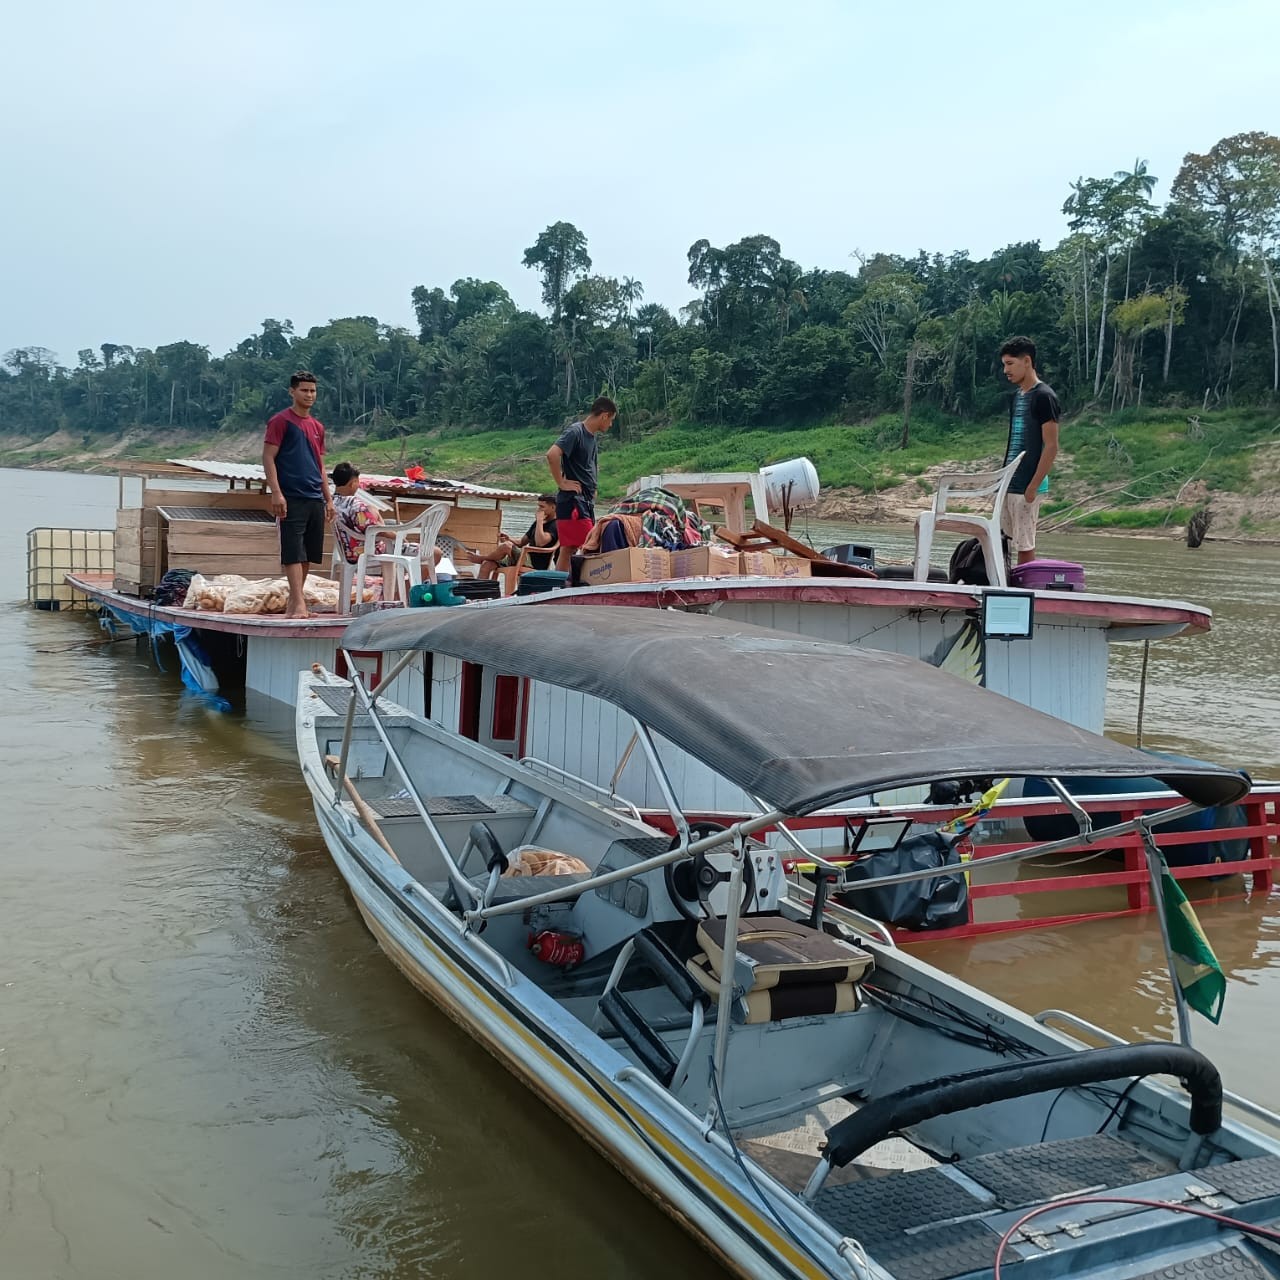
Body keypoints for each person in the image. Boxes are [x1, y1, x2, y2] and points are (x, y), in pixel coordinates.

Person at [263, 371, 333, 618]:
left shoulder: (317, 427)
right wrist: (276, 493)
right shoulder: (281, 421)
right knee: (293, 551)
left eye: (313, 391)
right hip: (291, 496)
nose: (309, 395)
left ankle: (295, 604)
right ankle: (299, 604)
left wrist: (329, 498)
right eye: (304, 390)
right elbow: (268, 457)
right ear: (292, 392)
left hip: (314, 496)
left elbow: (320, 465)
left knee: (308, 554)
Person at [329, 461, 455, 583]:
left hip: (349, 552)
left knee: (372, 509)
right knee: (435, 552)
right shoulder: (355, 504)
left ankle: (400, 590)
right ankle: (405, 591)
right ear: (353, 483)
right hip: (372, 550)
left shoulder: (332, 503)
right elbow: (375, 529)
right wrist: (398, 537)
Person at [999, 336, 1061, 566]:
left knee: (1025, 543)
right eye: (1004, 364)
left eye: (1010, 363)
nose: (1006, 370)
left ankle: (1023, 591)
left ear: (1027, 361)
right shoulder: (1016, 397)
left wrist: (1033, 485)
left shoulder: (1044, 396)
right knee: (1002, 539)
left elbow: (1052, 446)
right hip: (1009, 481)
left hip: (1028, 483)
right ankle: (1003, 586)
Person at [546, 396, 616, 571]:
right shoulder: (575, 432)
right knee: (589, 544)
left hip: (585, 500)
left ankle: (562, 586)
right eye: (612, 420)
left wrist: (593, 488)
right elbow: (552, 454)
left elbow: (589, 466)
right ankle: (574, 585)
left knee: (570, 548)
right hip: (573, 501)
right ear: (604, 416)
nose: (611, 425)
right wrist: (561, 482)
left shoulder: (591, 437)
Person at [477, 494, 558, 580]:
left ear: (553, 508)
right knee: (487, 564)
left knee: (506, 546)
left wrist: (539, 521)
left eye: (542, 507)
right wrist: (509, 539)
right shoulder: (537, 523)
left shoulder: (555, 525)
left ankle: (481, 558)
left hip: (535, 563)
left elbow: (540, 543)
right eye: (538, 506)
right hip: (523, 557)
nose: (538, 510)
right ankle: (479, 592)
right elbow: (521, 543)